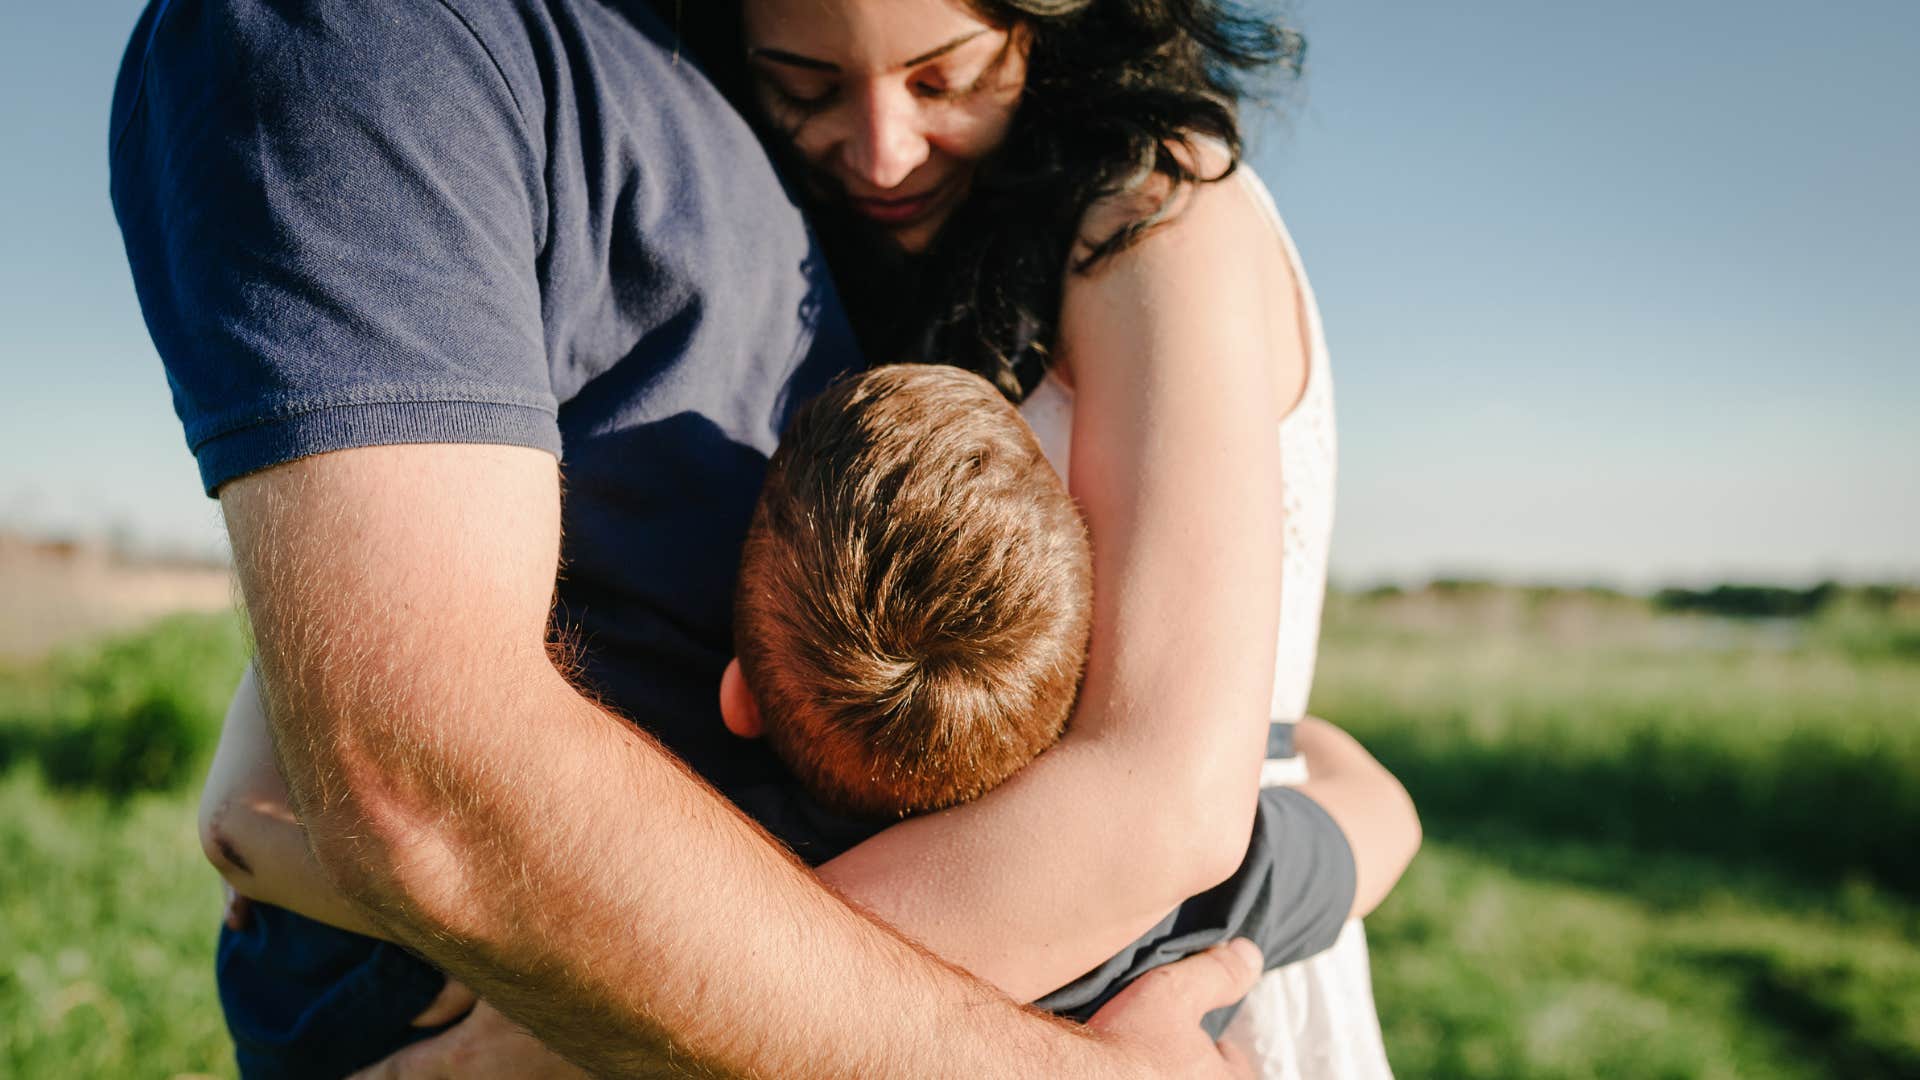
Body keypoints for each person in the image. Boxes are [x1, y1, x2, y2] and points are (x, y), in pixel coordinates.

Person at [113, 0, 1392, 1076]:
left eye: (945, 76)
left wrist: (510, 1054)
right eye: (805, 82)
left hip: (1126, 995)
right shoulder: (867, 242)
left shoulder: (1158, 213)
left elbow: (1162, 810)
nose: (884, 149)